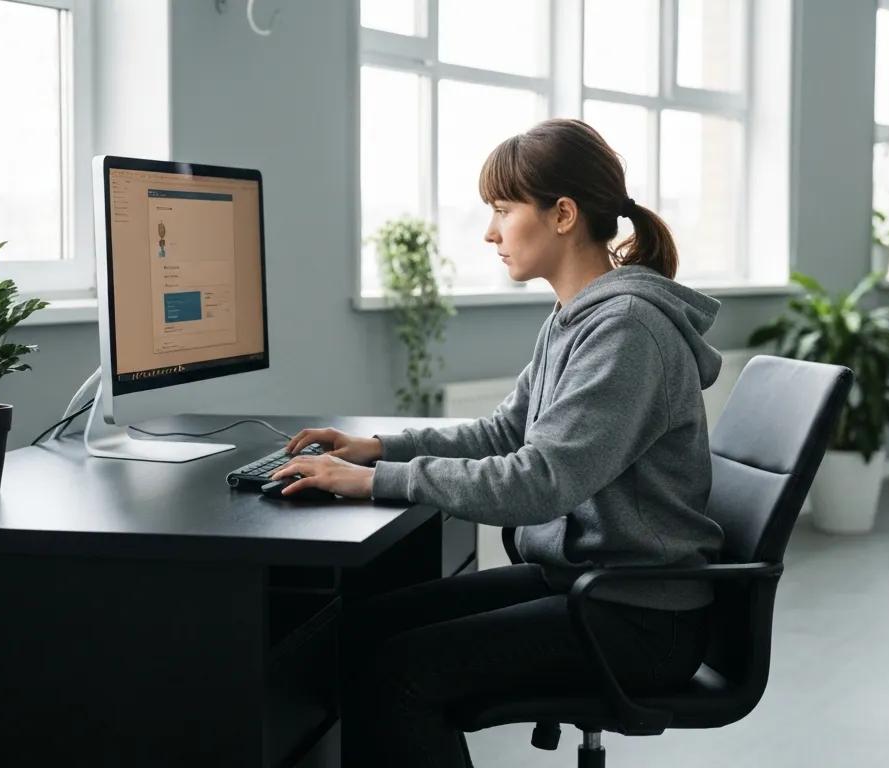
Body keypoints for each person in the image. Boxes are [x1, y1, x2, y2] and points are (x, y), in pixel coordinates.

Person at [272, 118, 727, 766]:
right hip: (586, 581)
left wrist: (376, 484)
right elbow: (504, 432)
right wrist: (374, 449)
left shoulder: (627, 330)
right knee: (360, 631)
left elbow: (542, 482)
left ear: (562, 214)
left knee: (398, 672)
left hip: (638, 616)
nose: (490, 232)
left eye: (503, 210)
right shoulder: (576, 316)